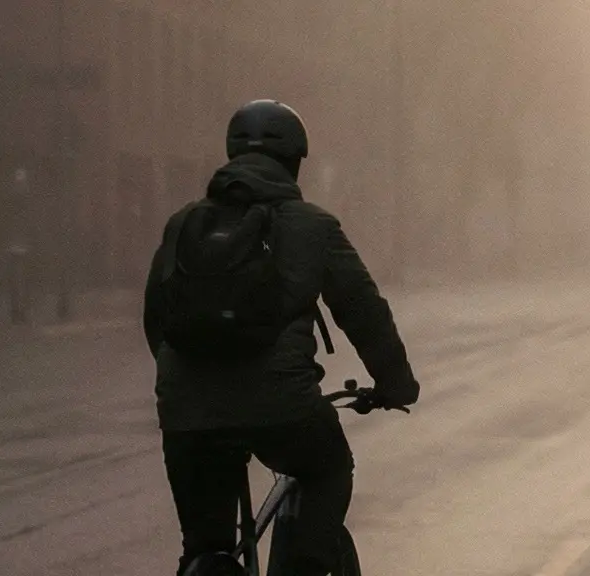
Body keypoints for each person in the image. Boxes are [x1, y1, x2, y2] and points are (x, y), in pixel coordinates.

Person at [143, 99, 420, 576]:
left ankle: (204, 563)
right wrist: (397, 383)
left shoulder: (184, 223)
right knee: (328, 468)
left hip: (186, 409)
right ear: (295, 163)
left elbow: (155, 318)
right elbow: (363, 312)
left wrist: (191, 384)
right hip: (282, 407)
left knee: (204, 547)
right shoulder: (314, 226)